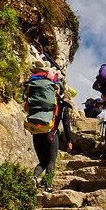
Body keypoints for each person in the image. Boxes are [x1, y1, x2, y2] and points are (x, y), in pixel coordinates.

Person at [28, 60, 72, 192]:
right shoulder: (61, 105)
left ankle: (34, 177)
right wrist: (69, 140)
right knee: (51, 161)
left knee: (42, 161)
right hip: (51, 133)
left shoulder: (39, 102)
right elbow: (66, 123)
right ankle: (47, 186)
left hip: (36, 131)